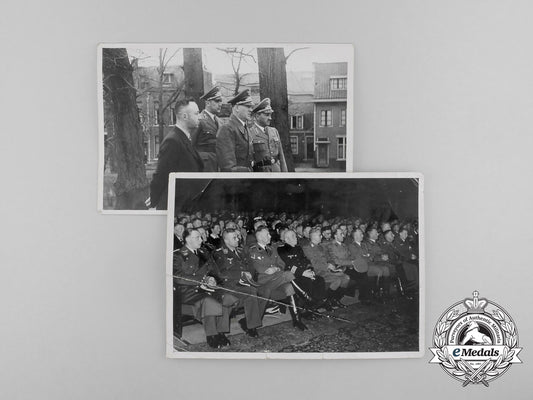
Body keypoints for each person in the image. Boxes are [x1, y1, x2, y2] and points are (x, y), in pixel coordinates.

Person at [173, 229, 238, 349]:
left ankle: (221, 332)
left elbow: (214, 271)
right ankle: (211, 335)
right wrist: (202, 279)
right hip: (189, 291)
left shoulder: (204, 252)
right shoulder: (177, 255)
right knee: (210, 302)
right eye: (197, 237)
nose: (201, 240)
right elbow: (177, 277)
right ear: (187, 239)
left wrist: (213, 278)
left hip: (207, 288)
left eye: (201, 237)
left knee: (228, 297)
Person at [247, 226, 307, 330]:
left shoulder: (272, 249)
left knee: (289, 288)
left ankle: (297, 320)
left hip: (277, 279)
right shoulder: (253, 250)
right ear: (260, 237)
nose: (270, 236)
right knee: (287, 274)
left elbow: (282, 264)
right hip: (264, 282)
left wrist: (276, 269)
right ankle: (306, 297)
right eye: (267, 234)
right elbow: (260, 269)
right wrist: (275, 270)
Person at [149, 99, 203, 210]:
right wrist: (154, 201)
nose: (200, 117)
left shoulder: (184, 138)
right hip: (177, 208)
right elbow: (161, 175)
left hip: (185, 205)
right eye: (196, 113)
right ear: (184, 116)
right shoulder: (173, 141)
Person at [212, 229, 266, 338]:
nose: (238, 239)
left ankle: (249, 324)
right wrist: (241, 275)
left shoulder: (241, 251)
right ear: (226, 240)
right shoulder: (219, 253)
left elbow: (251, 267)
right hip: (229, 286)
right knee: (251, 292)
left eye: (238, 236)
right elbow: (221, 273)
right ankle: (251, 326)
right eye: (234, 238)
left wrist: (248, 276)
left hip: (244, 284)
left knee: (263, 291)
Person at [302, 228, 350, 308]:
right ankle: (326, 301)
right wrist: (327, 266)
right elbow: (313, 263)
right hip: (318, 272)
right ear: (313, 237)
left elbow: (329, 258)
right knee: (337, 280)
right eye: (319, 235)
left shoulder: (321, 247)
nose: (321, 237)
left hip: (328, 271)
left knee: (346, 278)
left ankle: (335, 299)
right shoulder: (307, 248)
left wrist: (333, 266)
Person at [216, 89, 254, 172]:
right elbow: (228, 167)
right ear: (237, 108)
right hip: (236, 181)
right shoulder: (227, 129)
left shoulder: (246, 128)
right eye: (247, 106)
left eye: (251, 107)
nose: (251, 110)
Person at [248, 98, 288, 172]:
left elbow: (281, 157)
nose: (270, 118)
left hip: (277, 171)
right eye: (267, 115)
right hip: (261, 174)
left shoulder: (274, 131)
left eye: (270, 115)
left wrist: (285, 175)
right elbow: (249, 160)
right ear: (257, 116)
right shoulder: (250, 133)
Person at [192, 87, 223, 171]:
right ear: (208, 103)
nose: (220, 104)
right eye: (217, 101)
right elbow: (191, 146)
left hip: (218, 166)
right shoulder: (199, 120)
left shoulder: (220, 122)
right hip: (204, 167)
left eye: (221, 101)